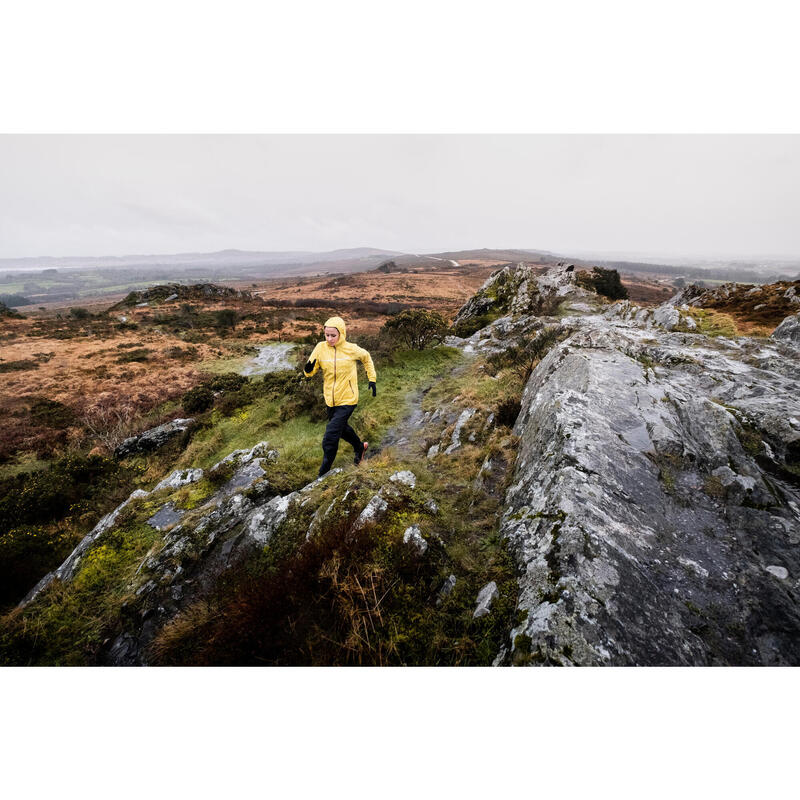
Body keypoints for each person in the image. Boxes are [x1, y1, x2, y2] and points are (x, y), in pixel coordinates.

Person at [303, 315, 377, 477]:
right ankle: (360, 447)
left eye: (333, 335)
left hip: (348, 398)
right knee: (342, 429)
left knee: (330, 436)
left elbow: (367, 358)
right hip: (330, 400)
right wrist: (308, 370)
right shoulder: (320, 348)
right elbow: (310, 371)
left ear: (342, 334)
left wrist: (371, 378)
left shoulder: (351, 349)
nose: (329, 339)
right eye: (327, 335)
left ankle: (322, 474)